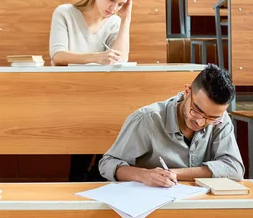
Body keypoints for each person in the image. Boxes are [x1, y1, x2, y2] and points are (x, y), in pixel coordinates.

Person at [48, 0, 133, 182]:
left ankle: (98, 176)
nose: (113, 8)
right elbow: (58, 56)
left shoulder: (113, 21)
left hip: (103, 97)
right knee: (90, 131)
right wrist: (98, 57)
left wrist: (125, 19)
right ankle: (83, 181)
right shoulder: (65, 13)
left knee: (115, 124)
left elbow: (120, 58)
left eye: (120, 4)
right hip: (71, 95)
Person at [99, 64, 245, 187]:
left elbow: (234, 168)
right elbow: (107, 163)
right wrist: (144, 175)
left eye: (211, 118)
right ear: (187, 92)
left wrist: (173, 173)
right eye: (197, 111)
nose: (200, 122)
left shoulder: (220, 118)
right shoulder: (146, 119)